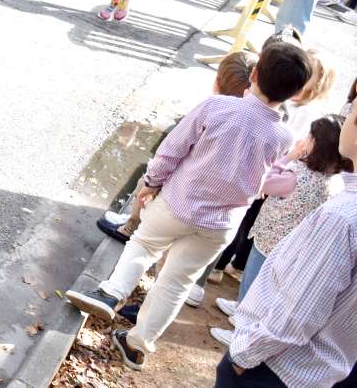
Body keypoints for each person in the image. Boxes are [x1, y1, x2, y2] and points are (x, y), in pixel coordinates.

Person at [65, 42, 313, 371]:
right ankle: (138, 345)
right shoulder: (281, 136)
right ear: (295, 94)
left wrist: (152, 182)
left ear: (253, 74)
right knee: (178, 282)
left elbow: (173, 148)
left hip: (180, 201)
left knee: (143, 244)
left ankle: (111, 293)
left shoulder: (217, 107)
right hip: (222, 222)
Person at [214, 103, 357, 388]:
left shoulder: (341, 217)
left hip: (275, 368)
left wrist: (242, 357)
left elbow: (299, 313)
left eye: (354, 110)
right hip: (317, 370)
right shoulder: (339, 196)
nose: (348, 110)